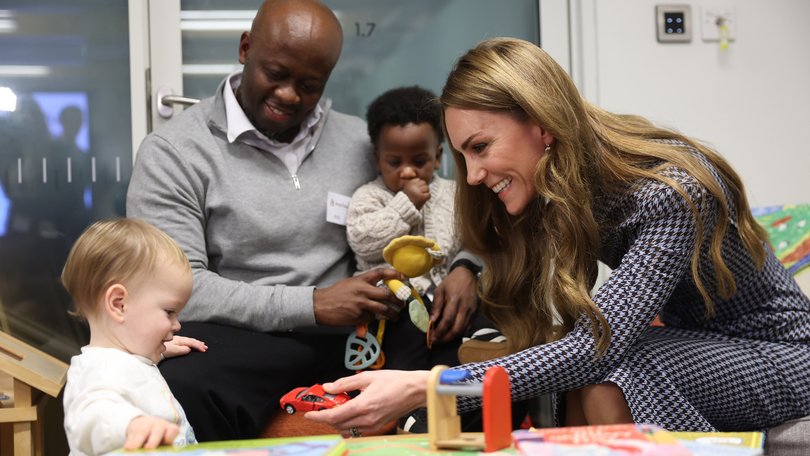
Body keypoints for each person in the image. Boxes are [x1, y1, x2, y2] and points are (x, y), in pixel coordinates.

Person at [306, 37, 810, 437]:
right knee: (595, 362)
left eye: (480, 147)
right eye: (462, 157)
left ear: (542, 124)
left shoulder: (671, 192)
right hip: (698, 342)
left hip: (784, 354)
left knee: (617, 363)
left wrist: (430, 386)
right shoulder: (561, 185)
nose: (474, 174)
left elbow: (597, 346)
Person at [126, 0, 479, 441]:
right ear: (245, 49)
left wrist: (467, 265)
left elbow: (447, 207)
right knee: (181, 385)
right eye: (275, 74)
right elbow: (178, 291)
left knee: (474, 357)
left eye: (310, 84)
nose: (290, 95)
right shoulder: (175, 152)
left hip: (362, 330)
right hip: (245, 335)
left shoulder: (362, 142)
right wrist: (313, 304)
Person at [347, 86, 486, 370]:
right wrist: (405, 204)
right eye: (394, 162)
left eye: (420, 161)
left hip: (446, 300)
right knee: (405, 348)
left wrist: (465, 269)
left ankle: (485, 346)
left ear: (437, 157)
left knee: (472, 320)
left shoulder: (455, 194)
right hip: (394, 306)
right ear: (377, 159)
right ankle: (411, 409)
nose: (408, 171)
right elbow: (363, 240)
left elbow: (477, 240)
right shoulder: (368, 196)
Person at [61, 218, 208, 454]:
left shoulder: (125, 358)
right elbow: (93, 414)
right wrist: (131, 424)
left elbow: (132, 376)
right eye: (169, 312)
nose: (177, 324)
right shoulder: (97, 370)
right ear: (119, 305)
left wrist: (159, 349)